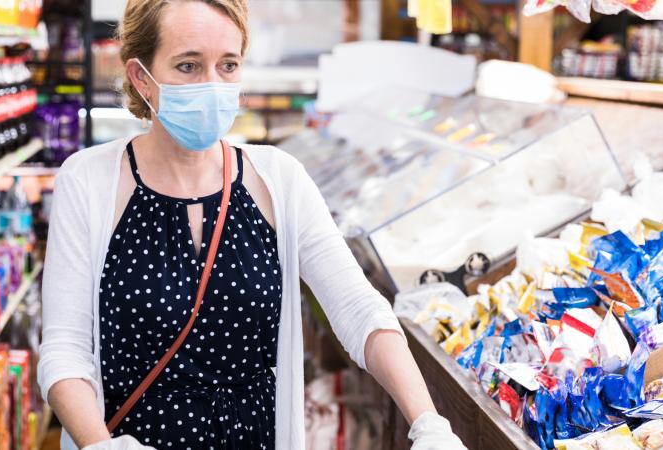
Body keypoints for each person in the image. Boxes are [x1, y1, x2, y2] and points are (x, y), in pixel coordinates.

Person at [37, 1, 468, 449]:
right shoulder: (88, 181)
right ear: (141, 77)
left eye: (228, 65)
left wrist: (428, 423)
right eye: (188, 66)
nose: (212, 85)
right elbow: (64, 351)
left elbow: (360, 310)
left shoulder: (279, 180)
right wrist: (100, 444)